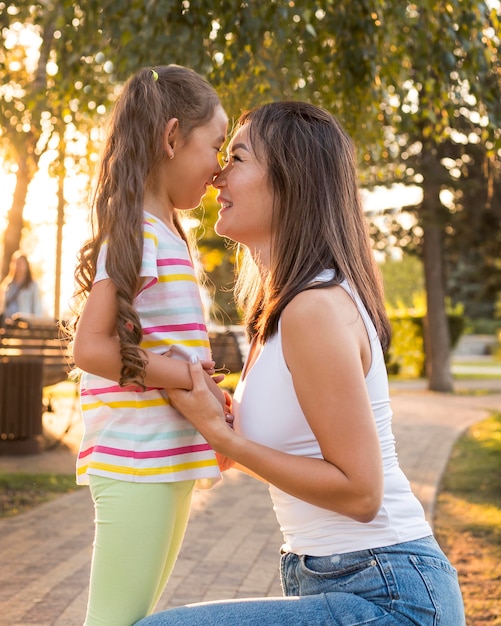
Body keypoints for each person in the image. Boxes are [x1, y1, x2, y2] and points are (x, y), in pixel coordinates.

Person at [135, 102, 466, 625]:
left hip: (390, 596)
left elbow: (361, 493)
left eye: (238, 157)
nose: (218, 173)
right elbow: (294, 456)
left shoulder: (313, 307)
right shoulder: (280, 311)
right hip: (342, 582)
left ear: (291, 181)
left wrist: (227, 440)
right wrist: (222, 430)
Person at [70, 65, 229, 626]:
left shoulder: (167, 235)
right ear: (170, 138)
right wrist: (185, 376)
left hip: (166, 462)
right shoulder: (135, 233)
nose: (219, 170)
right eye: (215, 146)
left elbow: (164, 350)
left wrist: (201, 385)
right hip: (137, 463)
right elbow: (89, 349)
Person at [0, 251, 43, 323]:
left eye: (20, 264)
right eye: (16, 263)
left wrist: (36, 325)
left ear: (26, 266)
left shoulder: (32, 285)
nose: (18, 266)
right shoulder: (7, 284)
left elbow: (37, 309)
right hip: (8, 325)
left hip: (25, 325)